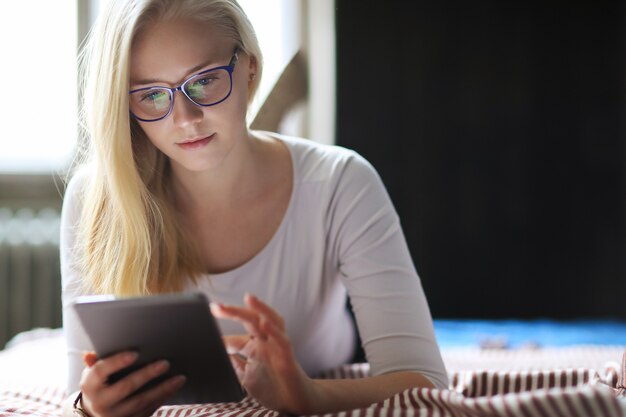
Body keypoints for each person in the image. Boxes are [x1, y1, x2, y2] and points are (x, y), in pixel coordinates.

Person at [60, 0, 448, 415]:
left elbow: (424, 382)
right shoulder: (97, 199)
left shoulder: (340, 183)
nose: (186, 118)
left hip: (327, 364)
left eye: (204, 81)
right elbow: (76, 393)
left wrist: (309, 397)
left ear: (250, 69)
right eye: (152, 94)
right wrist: (91, 408)